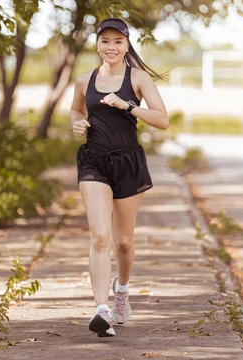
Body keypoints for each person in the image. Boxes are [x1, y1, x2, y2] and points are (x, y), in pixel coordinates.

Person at [69, 17, 169, 337]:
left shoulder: (137, 78)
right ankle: (101, 310)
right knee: (100, 236)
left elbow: (162, 120)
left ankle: (121, 291)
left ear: (127, 45)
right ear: (97, 44)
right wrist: (77, 123)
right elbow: (75, 110)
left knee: (123, 242)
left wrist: (128, 106)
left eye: (118, 42)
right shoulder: (84, 80)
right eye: (105, 42)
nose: (111, 48)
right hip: (93, 161)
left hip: (128, 161)